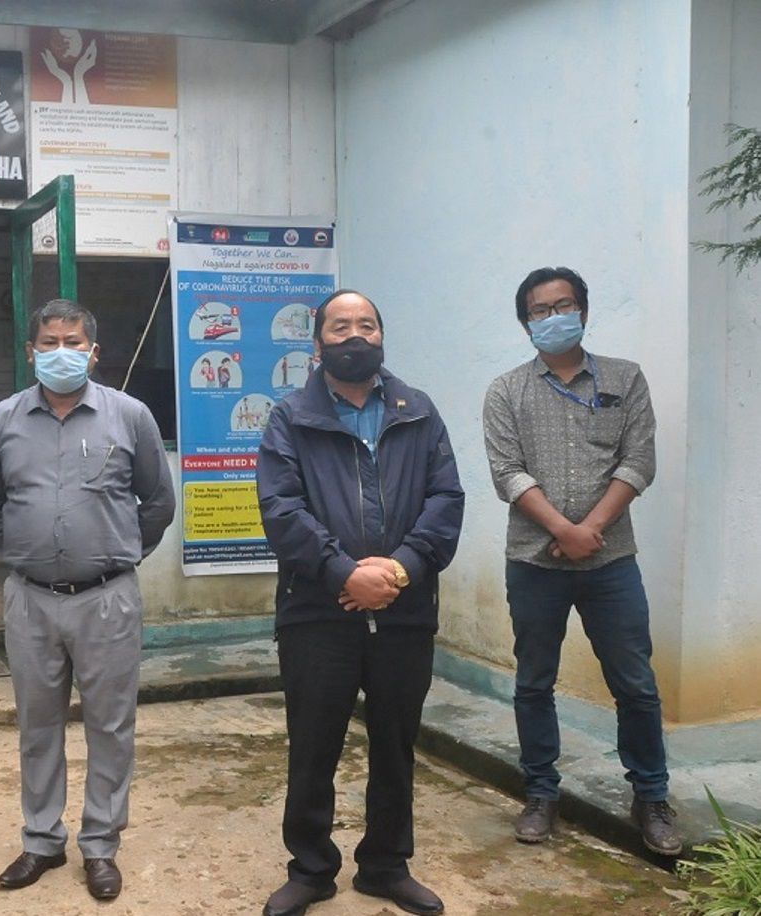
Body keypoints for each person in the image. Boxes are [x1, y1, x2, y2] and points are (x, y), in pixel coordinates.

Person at [256, 290, 463, 916]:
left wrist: (399, 569)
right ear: (317, 344)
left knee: (396, 745)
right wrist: (343, 572)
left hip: (404, 609)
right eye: (340, 326)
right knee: (313, 745)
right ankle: (311, 869)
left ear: (381, 337)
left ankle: (385, 865)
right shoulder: (290, 417)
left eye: (366, 325)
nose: (354, 336)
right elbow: (281, 508)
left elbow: (445, 499)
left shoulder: (418, 411)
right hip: (318, 612)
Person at [0, 299, 175, 902]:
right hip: (30, 599)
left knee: (110, 725)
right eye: (49, 342)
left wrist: (117, 553)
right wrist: (31, 550)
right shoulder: (1, 421)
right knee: (37, 725)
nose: (61, 352)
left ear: (94, 351)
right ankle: (42, 840)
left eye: (73, 342)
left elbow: (158, 503)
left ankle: (101, 845)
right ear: (30, 352)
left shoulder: (129, 416)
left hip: (107, 598)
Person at [482, 267, 680, 856]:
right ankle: (541, 793)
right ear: (526, 323)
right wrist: (563, 530)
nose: (553, 318)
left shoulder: (625, 378)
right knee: (534, 682)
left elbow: (638, 460)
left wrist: (589, 531)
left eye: (563, 306)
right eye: (539, 311)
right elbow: (507, 472)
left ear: (584, 312)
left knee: (635, 684)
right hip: (534, 561)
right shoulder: (506, 391)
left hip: (609, 561)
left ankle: (651, 795)